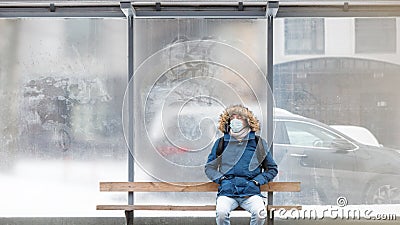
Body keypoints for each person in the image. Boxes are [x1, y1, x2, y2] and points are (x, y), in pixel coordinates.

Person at [205, 104, 278, 225]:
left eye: (239, 117)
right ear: (228, 121)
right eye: (232, 117)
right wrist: (222, 180)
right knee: (221, 214)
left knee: (260, 214)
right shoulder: (221, 142)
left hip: (250, 193)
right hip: (227, 192)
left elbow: (272, 168)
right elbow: (210, 167)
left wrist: (257, 181)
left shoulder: (257, 142)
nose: (235, 119)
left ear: (247, 121)